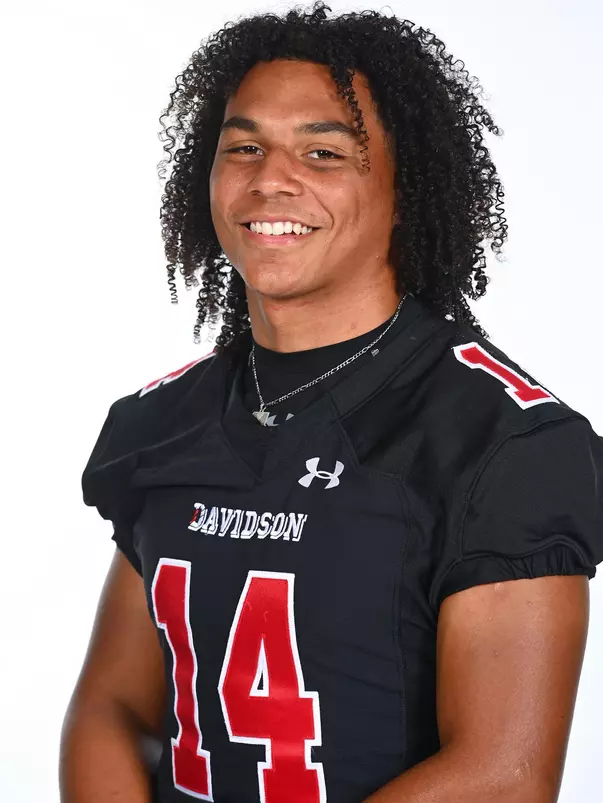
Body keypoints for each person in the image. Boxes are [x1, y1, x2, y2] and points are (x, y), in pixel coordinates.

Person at [59, 3, 603, 802]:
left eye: (323, 152)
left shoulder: (503, 440)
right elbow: (113, 704)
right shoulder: (160, 422)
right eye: (242, 147)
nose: (270, 179)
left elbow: (501, 775)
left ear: (404, 185)